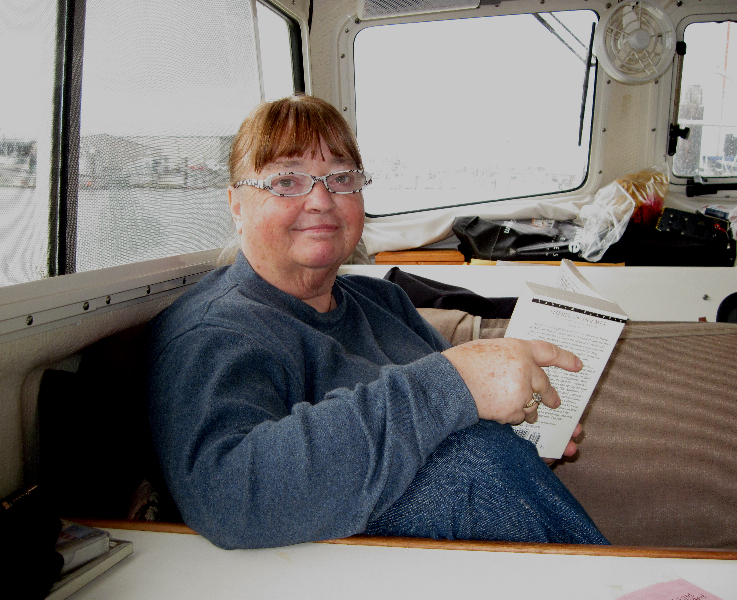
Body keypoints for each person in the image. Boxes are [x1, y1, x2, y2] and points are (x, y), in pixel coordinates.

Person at [144, 94, 608, 549]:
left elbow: (449, 413)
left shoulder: (384, 302)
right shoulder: (211, 332)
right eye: (287, 181)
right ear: (237, 204)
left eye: (341, 178)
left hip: (448, 564)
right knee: (476, 465)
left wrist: (523, 439)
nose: (322, 200)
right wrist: (453, 385)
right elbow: (229, 498)